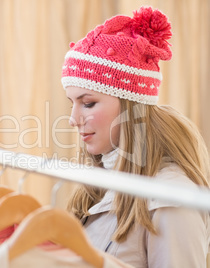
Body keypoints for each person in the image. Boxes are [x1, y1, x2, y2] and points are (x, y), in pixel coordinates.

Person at [62, 6, 210, 268]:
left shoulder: (172, 199)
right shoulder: (102, 181)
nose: (73, 119)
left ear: (131, 107)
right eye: (72, 103)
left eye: (88, 103)